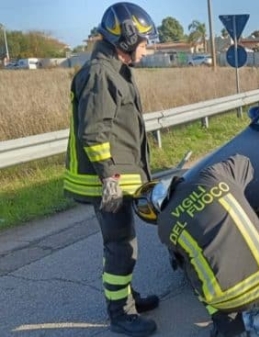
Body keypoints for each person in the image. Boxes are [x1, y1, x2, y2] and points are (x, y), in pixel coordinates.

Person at [132, 154, 259, 337]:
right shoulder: (213, 176)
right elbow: (244, 161)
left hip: (226, 297)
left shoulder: (165, 228)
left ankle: (228, 326)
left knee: (195, 276)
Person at [63, 2, 160, 336]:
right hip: (106, 183)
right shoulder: (101, 74)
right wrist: (109, 178)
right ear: (127, 39)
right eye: (145, 43)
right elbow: (93, 132)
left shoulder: (115, 69)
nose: (147, 50)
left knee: (122, 245)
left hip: (114, 179)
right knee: (121, 247)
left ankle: (127, 297)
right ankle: (121, 313)